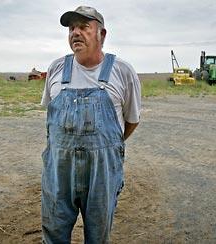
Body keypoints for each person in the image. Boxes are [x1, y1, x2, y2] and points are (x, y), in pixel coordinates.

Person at [40, 6, 141, 243]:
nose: (76, 32)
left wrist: (106, 147)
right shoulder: (56, 69)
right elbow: (51, 118)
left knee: (98, 235)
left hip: (102, 172)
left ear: (101, 34)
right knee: (53, 232)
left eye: (84, 27)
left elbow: (131, 121)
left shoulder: (122, 71)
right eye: (72, 28)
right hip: (59, 169)